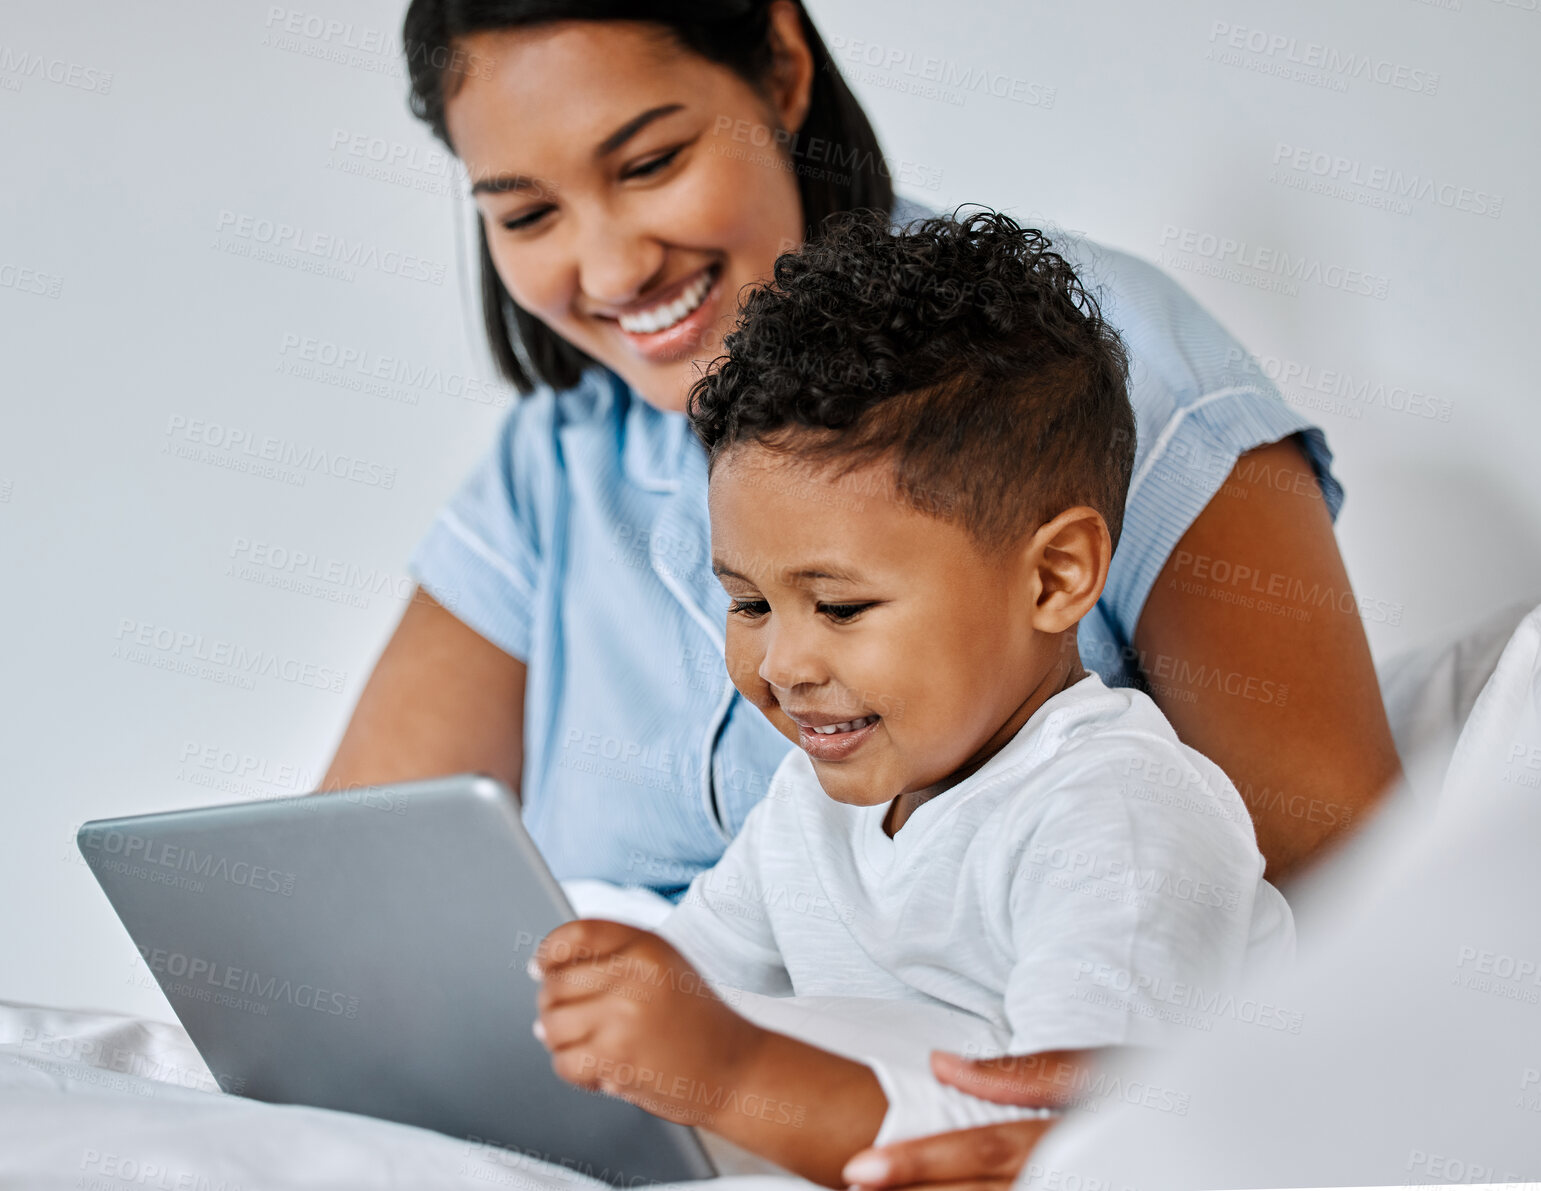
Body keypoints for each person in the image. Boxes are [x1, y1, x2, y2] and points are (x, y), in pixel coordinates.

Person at [319, 0, 1402, 1181]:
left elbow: (1320, 928)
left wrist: (719, 1069)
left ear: (783, 66)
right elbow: (355, 906)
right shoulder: (566, 482)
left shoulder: (1074, 391)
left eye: (652, 162)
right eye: (525, 213)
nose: (613, 265)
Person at [528, 208, 1294, 1187]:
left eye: (841, 607)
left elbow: (1060, 1153)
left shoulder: (1123, 821)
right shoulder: (809, 805)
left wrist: (732, 1073)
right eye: (750, 603)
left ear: (1057, 577)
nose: (786, 663)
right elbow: (692, 990)